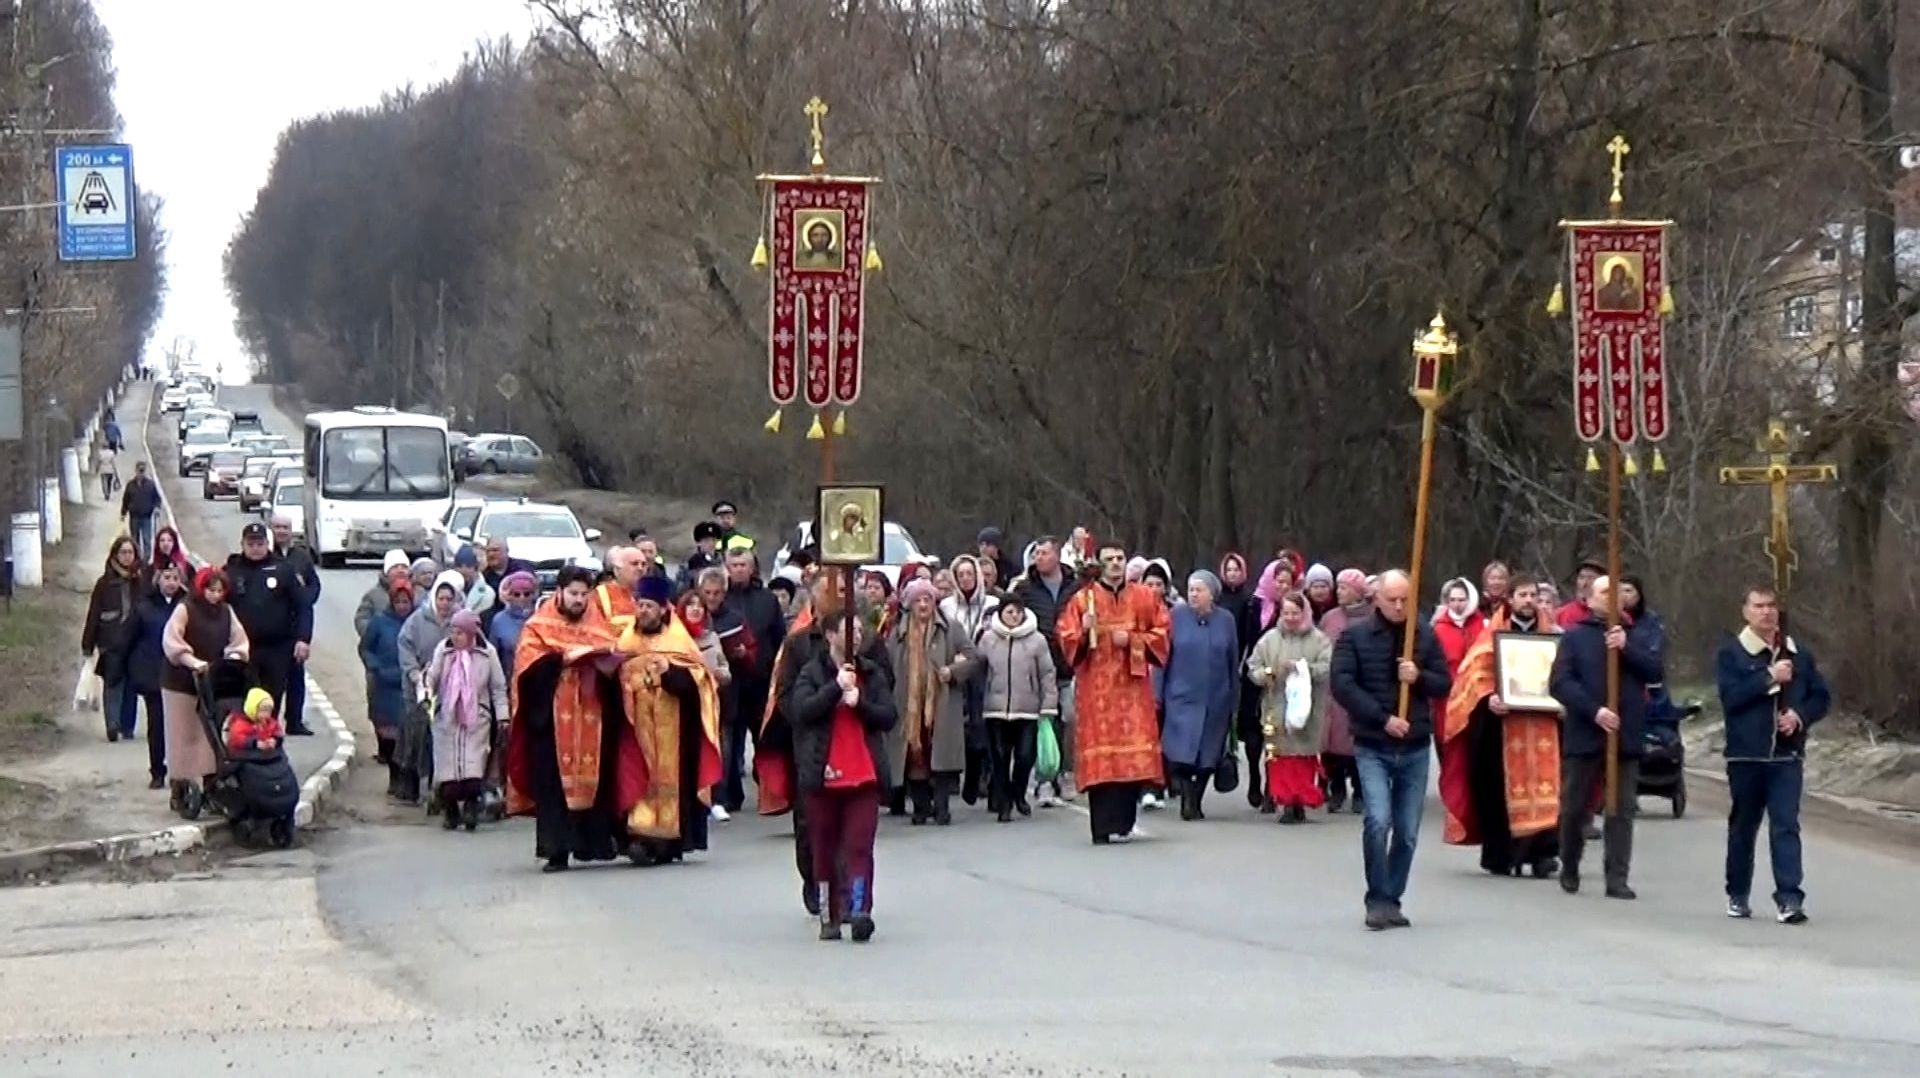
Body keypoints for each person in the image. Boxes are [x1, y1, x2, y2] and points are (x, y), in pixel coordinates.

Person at [1331, 569, 1451, 930]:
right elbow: (1343, 685)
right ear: (1377, 599)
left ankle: (1392, 897)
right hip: (1373, 744)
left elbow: (1444, 683)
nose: (1399, 607)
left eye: (1405, 600)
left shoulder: (1424, 636)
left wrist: (1419, 677)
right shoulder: (1354, 637)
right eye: (1392, 600)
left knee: (1408, 830)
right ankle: (1376, 897)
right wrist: (1382, 718)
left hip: (1414, 746)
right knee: (1377, 820)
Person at [503, 566, 644, 872]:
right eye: (574, 594)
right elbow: (526, 673)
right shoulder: (538, 626)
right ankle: (556, 850)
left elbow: (614, 663)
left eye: (584, 594)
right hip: (551, 720)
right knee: (554, 785)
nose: (579, 600)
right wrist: (560, 660)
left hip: (594, 716)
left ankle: (594, 844)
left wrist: (607, 666)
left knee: (599, 781)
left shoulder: (599, 625)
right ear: (560, 593)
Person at [1716, 586, 1831, 924]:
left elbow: (1820, 697)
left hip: (1786, 756)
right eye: (1758, 606)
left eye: (1770, 606)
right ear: (1746, 611)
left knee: (1785, 826)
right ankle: (1737, 894)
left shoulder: (1798, 654)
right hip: (1745, 755)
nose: (1765, 612)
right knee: (1743, 827)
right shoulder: (1732, 654)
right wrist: (1768, 677)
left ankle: (1789, 899)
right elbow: (1731, 698)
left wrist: (1799, 716)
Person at [1439, 574, 1562, 878]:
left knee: (1546, 786)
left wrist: (1561, 699)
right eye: (1522, 595)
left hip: (1541, 724)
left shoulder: (1552, 635)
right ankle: (1502, 852)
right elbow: (1475, 674)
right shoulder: (1493, 634)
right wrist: (1489, 697)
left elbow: (1563, 672)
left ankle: (1542, 853)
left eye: (1533, 595)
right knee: (1498, 788)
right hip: (1501, 725)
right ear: (1510, 599)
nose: (1529, 601)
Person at [1549, 574, 1662, 900]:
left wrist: (1627, 649)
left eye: (1616, 592)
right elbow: (1560, 683)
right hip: (1586, 733)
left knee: (1621, 809)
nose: (1611, 597)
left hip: (1624, 736)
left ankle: (1617, 876)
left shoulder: (1635, 634)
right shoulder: (1574, 637)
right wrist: (1594, 711)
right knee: (1574, 807)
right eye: (1603, 592)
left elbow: (1655, 673)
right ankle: (1569, 861)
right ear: (1590, 598)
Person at [787, 607, 898, 941]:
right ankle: (829, 914)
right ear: (832, 636)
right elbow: (801, 711)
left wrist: (860, 702)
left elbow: (888, 716)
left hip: (863, 774)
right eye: (850, 632)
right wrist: (834, 688)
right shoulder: (812, 672)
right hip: (823, 774)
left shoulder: (872, 673)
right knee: (823, 847)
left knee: (860, 845)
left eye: (861, 632)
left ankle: (860, 909)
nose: (857, 638)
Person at [1054, 541, 1170, 844]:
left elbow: (1162, 632)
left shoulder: (1144, 597)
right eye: (1110, 559)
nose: (1116, 563)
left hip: (1132, 690)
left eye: (1121, 558)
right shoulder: (1083, 600)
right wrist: (1083, 630)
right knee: (1102, 765)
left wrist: (1132, 640)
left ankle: (1124, 821)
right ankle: (1101, 826)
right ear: (1099, 564)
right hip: (1097, 691)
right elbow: (1065, 638)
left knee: (1130, 763)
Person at [608, 575, 725, 864]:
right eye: (640, 605)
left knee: (672, 780)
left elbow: (700, 683)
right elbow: (613, 674)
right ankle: (638, 837)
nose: (643, 611)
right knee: (635, 775)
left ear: (663, 609)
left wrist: (671, 672)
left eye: (649, 606)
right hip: (635, 726)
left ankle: (669, 842)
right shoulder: (626, 640)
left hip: (673, 727)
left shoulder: (678, 641)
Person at [886, 577, 976, 825]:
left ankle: (942, 807)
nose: (923, 605)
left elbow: (973, 658)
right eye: (918, 601)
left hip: (941, 703)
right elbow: (885, 665)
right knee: (915, 755)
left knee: (941, 757)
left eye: (928, 600)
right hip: (908, 706)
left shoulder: (951, 628)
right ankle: (921, 807)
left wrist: (953, 671)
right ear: (910, 605)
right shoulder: (899, 633)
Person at [161, 568, 250, 812]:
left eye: (220, 591)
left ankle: (212, 785)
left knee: (210, 735)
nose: (215, 595)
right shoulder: (185, 608)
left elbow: (239, 639)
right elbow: (172, 639)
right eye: (211, 590)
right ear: (202, 588)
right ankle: (179, 788)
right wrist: (190, 660)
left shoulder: (226, 612)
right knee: (182, 736)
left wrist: (234, 656)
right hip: (180, 681)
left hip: (211, 681)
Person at [1159, 570, 1239, 821]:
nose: (1193, 594)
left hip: (1215, 697)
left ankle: (1196, 799)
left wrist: (1233, 697)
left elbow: (1232, 659)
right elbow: (1163, 657)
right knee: (1179, 751)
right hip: (1181, 695)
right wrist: (1157, 691)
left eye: (1199, 589)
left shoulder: (1226, 620)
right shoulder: (1175, 617)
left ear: (1212, 594)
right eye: (1191, 589)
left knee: (1208, 754)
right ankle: (1185, 794)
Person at [1248, 591, 1333, 824]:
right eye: (1286, 613)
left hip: (1307, 709)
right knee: (1280, 757)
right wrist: (1270, 673)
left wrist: (1304, 669)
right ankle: (1285, 800)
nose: (1291, 617)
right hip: (1276, 707)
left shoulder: (1319, 640)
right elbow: (1253, 667)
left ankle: (1300, 800)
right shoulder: (1269, 640)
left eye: (1295, 613)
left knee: (1303, 757)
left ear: (1304, 613)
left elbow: (1327, 666)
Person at [1011, 536, 1084, 807]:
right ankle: (1043, 778)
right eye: (1036, 553)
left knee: (1071, 719)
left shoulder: (1075, 586)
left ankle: (1066, 773)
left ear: (1056, 556)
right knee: (1044, 722)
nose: (1038, 558)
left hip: (1068, 666)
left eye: (1044, 553)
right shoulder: (1025, 588)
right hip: (1037, 669)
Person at [225, 522, 315, 736]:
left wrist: (303, 639)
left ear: (267, 544)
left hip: (278, 648)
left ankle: (269, 748)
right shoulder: (232, 571)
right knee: (244, 700)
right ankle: (245, 747)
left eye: (260, 543)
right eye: (251, 543)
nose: (256, 548)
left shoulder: (283, 569)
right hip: (244, 649)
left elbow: (302, 606)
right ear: (243, 544)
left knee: (270, 701)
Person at [975, 592, 1057, 822]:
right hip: (996, 708)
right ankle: (1004, 802)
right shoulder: (989, 639)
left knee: (1024, 755)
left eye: (1018, 612)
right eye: (1009, 612)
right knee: (999, 758)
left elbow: (1047, 673)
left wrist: (1048, 704)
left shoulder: (1037, 640)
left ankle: (1018, 792)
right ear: (1001, 613)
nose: (1014, 616)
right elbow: (979, 668)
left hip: (1027, 708)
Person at [427, 608, 511, 831]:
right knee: (448, 768)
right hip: (447, 716)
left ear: (471, 633)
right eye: (452, 632)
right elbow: (432, 679)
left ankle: (472, 807)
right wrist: (426, 694)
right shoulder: (443, 651)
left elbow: (498, 687)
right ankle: (451, 809)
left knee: (473, 766)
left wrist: (503, 716)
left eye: (460, 633)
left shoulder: (487, 653)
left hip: (477, 717)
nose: (455, 637)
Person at [397, 571, 464, 805]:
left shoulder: (461, 622)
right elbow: (405, 647)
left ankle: (441, 788)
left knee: (445, 739)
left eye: (449, 599)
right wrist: (415, 674)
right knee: (418, 736)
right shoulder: (417, 621)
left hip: (451, 688)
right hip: (420, 688)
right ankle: (412, 783)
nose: (445, 604)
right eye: (441, 598)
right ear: (434, 598)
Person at [120, 562, 186, 788]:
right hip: (153, 675)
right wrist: (124, 668)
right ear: (158, 579)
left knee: (179, 726)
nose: (171, 583)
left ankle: (181, 771)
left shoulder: (186, 606)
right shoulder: (144, 606)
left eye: (175, 578)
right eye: (167, 578)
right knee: (156, 725)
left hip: (180, 676)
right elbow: (128, 638)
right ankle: (157, 770)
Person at [941, 554, 999, 804]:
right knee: (958, 723)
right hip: (957, 668)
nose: (966, 579)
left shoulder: (992, 603)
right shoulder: (946, 607)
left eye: (969, 574)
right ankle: (960, 772)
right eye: (961, 574)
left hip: (985, 669)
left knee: (981, 725)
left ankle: (983, 775)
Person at [81, 536, 145, 743]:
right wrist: (88, 643)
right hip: (111, 641)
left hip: (135, 642)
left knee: (131, 686)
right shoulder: (104, 583)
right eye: (123, 553)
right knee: (113, 683)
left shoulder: (141, 581)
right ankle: (112, 724)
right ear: (115, 555)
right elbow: (94, 613)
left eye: (130, 553)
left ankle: (127, 726)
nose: (127, 557)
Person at [1317, 568, 1369, 814]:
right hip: (1331, 688)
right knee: (1332, 743)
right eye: (1338, 587)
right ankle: (1337, 789)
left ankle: (1360, 790)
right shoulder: (1330, 618)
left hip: (1361, 686)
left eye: (1344, 588)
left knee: (1357, 741)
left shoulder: (1371, 617)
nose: (1339, 592)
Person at [270, 514, 321, 737]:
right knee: (273, 681)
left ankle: (295, 720)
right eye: (278, 527)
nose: (281, 531)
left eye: (285, 527)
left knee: (296, 677)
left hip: (296, 624)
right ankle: (269, 722)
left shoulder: (301, 557)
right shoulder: (266, 555)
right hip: (274, 627)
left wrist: (303, 597)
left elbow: (314, 586)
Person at [360, 580, 414, 789]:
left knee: (409, 736)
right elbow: (365, 648)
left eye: (406, 602)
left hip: (410, 686)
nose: (402, 606)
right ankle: (394, 777)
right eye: (398, 602)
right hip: (385, 686)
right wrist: (375, 667)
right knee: (389, 736)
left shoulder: (416, 622)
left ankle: (408, 780)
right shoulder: (379, 622)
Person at [487, 571, 539, 659]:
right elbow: (493, 655)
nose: (522, 598)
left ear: (533, 595)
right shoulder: (499, 620)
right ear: (509, 596)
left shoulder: (541, 617)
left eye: (527, 594)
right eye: (516, 594)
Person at [120, 460, 164, 562]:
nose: (141, 473)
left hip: (146, 517)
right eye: (139, 470)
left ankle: (146, 560)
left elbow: (157, 498)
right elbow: (126, 499)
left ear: (145, 471)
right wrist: (123, 513)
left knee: (146, 539)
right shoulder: (130, 485)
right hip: (134, 517)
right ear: (136, 471)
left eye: (142, 471)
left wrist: (157, 508)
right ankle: (137, 559)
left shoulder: (150, 485)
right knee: (134, 540)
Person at [225, 688, 283, 754]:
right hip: (245, 755)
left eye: (269, 711)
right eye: (263, 710)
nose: (266, 714)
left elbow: (278, 731)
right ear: (253, 709)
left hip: (264, 754)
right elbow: (235, 739)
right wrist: (255, 743)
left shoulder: (270, 722)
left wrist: (275, 740)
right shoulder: (240, 724)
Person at [676, 521, 726, 594]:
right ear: (698, 542)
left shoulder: (724, 560)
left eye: (714, 540)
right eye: (707, 540)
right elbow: (680, 589)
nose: (711, 544)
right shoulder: (690, 562)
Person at [1556, 556, 1606, 629]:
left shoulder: (1613, 614)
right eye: (1581, 577)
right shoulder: (1562, 613)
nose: (1584, 583)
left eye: (1591, 578)